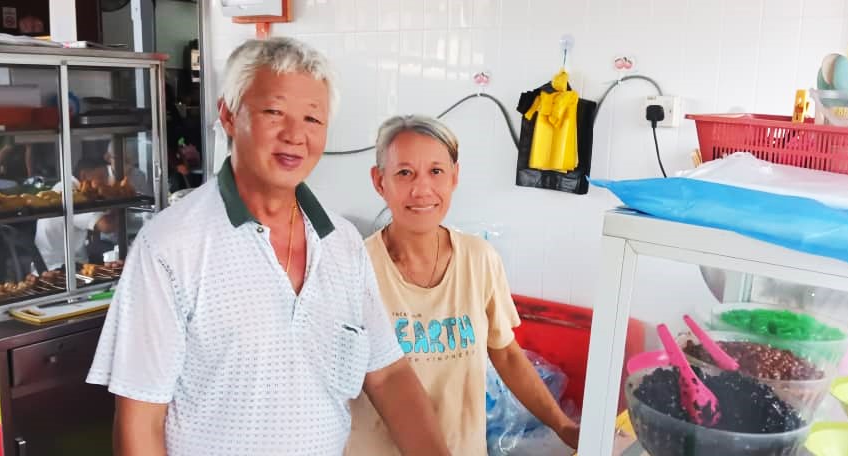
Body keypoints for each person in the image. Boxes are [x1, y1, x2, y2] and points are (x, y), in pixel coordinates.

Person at [86, 37, 449, 456]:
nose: (295, 135)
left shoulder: (342, 242)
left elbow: (387, 374)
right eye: (274, 112)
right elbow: (141, 419)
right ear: (227, 114)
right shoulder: (170, 247)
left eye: (313, 119)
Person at [346, 115, 581, 455]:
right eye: (404, 173)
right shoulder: (356, 267)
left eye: (436, 172)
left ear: (454, 177)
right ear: (379, 181)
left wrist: (562, 425)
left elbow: (507, 354)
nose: (422, 189)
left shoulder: (479, 258)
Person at [34, 156, 118, 270]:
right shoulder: (72, 194)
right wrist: (117, 200)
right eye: (101, 177)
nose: (105, 183)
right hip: (59, 267)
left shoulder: (65, 185)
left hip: (64, 260)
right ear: (84, 176)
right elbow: (107, 226)